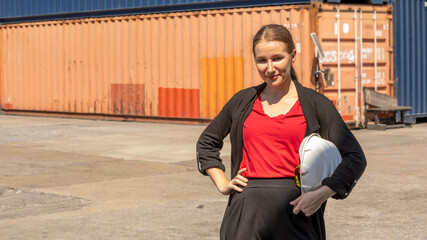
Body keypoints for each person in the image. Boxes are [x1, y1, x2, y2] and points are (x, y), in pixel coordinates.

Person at [196, 24, 366, 240]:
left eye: (277, 58)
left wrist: (322, 194)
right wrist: (223, 183)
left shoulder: (316, 105)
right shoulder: (242, 101)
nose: (269, 68)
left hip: (297, 213)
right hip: (246, 214)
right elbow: (206, 142)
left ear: (293, 55)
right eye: (261, 60)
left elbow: (355, 158)